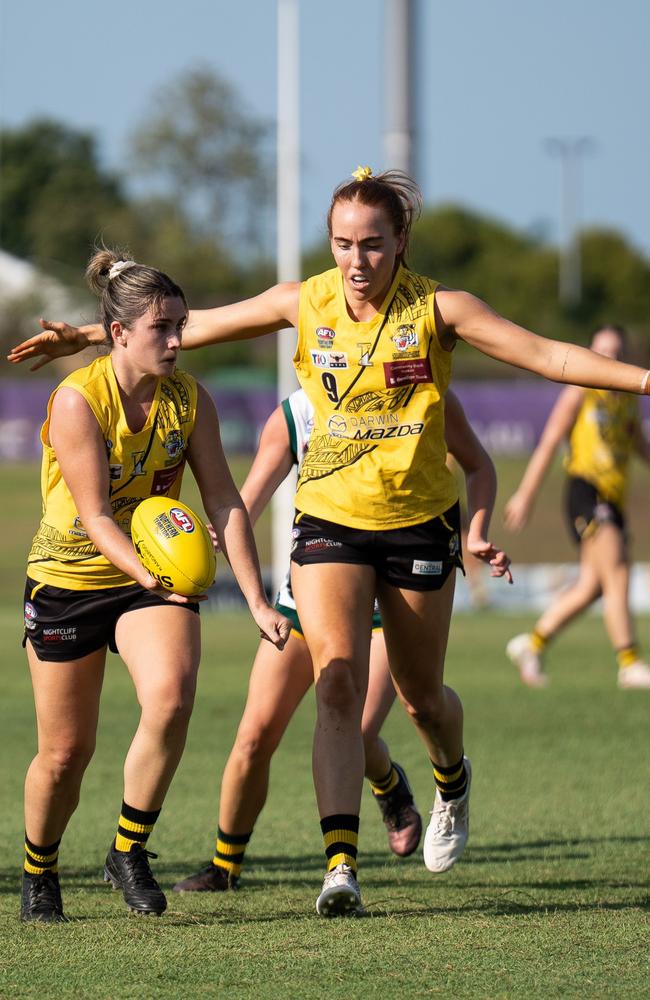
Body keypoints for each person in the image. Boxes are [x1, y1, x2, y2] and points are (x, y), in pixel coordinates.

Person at [9, 168, 650, 918]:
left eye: (372, 245)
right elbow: (194, 325)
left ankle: (449, 777)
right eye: (342, 243)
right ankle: (339, 867)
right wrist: (88, 334)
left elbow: (549, 357)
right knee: (336, 682)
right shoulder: (302, 301)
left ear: (401, 241)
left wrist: (641, 380)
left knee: (421, 699)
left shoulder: (440, 309)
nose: (355, 260)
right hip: (327, 522)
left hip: (415, 524)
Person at [17, 248, 289, 923]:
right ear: (119, 334)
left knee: (170, 699)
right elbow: (95, 516)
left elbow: (224, 500)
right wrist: (148, 570)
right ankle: (39, 872)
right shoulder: (79, 400)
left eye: (181, 326)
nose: (176, 341)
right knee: (65, 753)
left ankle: (128, 851)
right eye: (162, 329)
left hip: (148, 579)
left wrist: (256, 596)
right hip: (69, 576)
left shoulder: (189, 400)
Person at [172, 384, 511, 893]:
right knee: (254, 736)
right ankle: (226, 868)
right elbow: (244, 504)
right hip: (306, 592)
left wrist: (476, 530)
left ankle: (401, 788)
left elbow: (472, 466)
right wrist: (209, 538)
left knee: (358, 726)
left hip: (384, 605)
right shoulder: (294, 414)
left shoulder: (419, 388)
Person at [504, 325, 650, 690]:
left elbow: (640, 446)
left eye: (615, 354)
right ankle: (630, 662)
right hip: (585, 491)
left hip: (612, 498)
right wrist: (525, 494)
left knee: (592, 586)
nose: (607, 361)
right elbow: (549, 442)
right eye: (601, 353)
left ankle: (532, 644)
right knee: (617, 568)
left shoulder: (627, 399)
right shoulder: (580, 391)